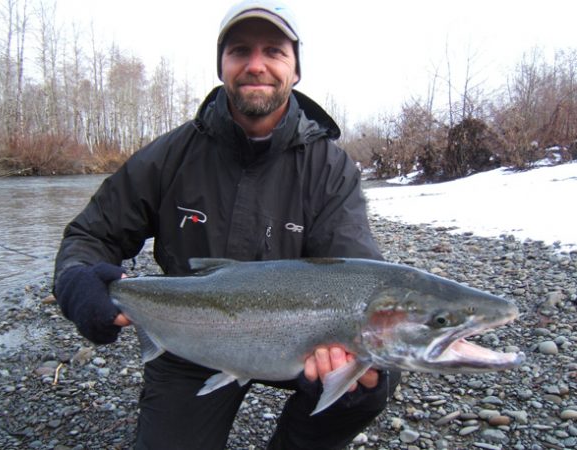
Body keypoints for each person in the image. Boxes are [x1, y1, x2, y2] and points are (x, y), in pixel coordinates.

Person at [53, 1, 400, 448]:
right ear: (222, 67)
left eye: (273, 51)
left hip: (299, 342)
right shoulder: (169, 156)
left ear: (296, 69)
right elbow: (88, 236)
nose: (256, 65)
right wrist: (76, 279)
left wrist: (342, 356)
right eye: (240, 51)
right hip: (190, 343)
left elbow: (359, 273)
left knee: (372, 379)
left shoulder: (329, 168)